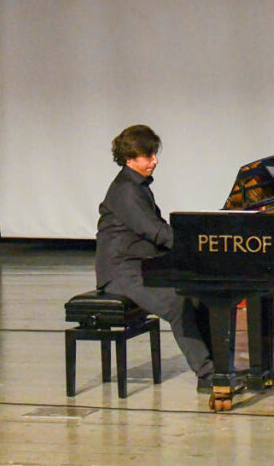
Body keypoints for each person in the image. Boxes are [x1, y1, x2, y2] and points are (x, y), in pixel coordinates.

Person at [96, 125, 214, 391]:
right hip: (121, 272)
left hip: (141, 265)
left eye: (154, 154)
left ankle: (218, 366)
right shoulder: (125, 190)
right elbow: (155, 231)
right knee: (177, 303)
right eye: (148, 155)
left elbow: (157, 230)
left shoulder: (136, 186)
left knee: (200, 294)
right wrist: (195, 245)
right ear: (129, 158)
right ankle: (207, 375)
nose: (155, 160)